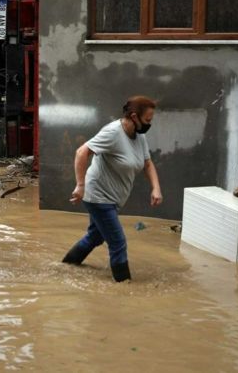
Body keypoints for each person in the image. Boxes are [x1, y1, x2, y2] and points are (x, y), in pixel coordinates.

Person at [62, 96, 163, 282]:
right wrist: (80, 185)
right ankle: (124, 286)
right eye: (148, 120)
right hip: (98, 196)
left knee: (95, 237)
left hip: (114, 198)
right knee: (118, 243)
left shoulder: (140, 136)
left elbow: (148, 163)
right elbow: (81, 152)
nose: (150, 124)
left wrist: (156, 188)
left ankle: (66, 266)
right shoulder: (113, 133)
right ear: (134, 116)